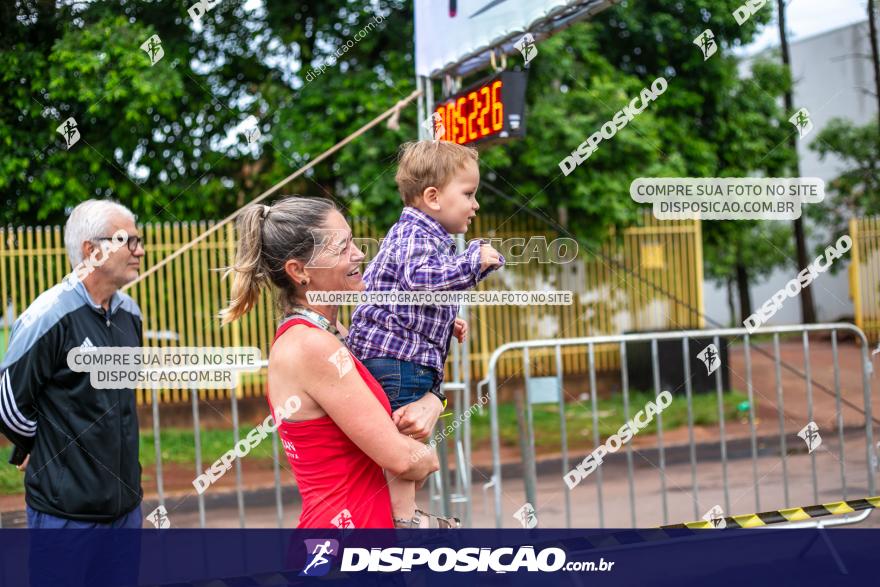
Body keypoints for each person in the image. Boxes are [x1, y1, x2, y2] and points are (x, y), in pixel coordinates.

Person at [219, 196, 440, 528]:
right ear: (299, 271)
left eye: (352, 240)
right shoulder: (311, 346)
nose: (359, 254)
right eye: (342, 247)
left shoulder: (331, 332)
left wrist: (434, 401)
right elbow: (401, 459)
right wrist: (429, 459)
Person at [347, 140, 504, 528]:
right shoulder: (417, 234)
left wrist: (445, 320)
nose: (475, 204)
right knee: (407, 437)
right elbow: (421, 280)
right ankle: (404, 520)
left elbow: (400, 292)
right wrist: (472, 262)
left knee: (406, 434)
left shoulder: (417, 234)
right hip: (397, 360)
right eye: (468, 194)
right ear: (432, 197)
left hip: (396, 353)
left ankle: (402, 515)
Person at [0, 199, 145, 528]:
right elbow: (6, 402)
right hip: (64, 517)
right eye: (128, 241)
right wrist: (37, 445)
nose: (140, 251)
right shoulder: (48, 315)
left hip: (125, 511)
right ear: (91, 250)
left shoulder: (130, 315)